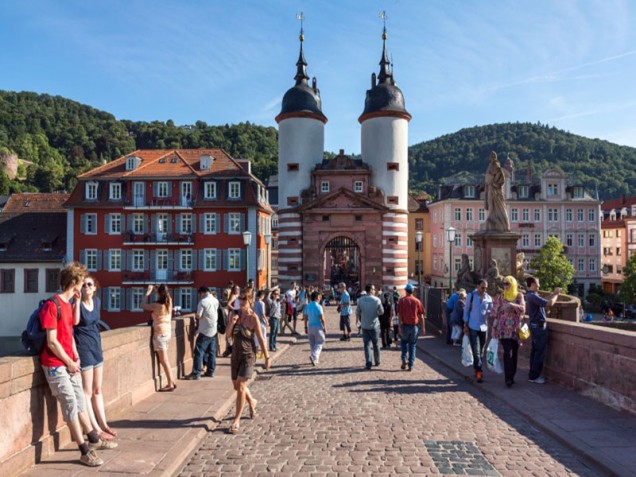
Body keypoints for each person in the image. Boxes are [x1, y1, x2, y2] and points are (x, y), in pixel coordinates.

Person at [39, 262, 116, 467]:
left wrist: (74, 356)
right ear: (74, 282)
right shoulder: (52, 305)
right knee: (71, 404)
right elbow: (52, 341)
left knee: (80, 400)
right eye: (81, 282)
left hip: (69, 361)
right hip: (55, 364)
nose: (83, 285)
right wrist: (69, 362)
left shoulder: (67, 304)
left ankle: (93, 439)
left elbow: (69, 333)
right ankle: (84, 451)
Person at [74, 276, 117, 441]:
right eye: (83, 285)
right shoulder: (77, 303)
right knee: (87, 392)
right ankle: (95, 429)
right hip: (83, 349)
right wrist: (77, 302)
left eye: (89, 284)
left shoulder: (97, 302)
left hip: (96, 347)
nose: (86, 287)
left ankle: (104, 424)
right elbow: (76, 321)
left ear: (94, 288)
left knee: (98, 389)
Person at [226, 288, 271, 434]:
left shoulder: (253, 318)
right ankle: (252, 401)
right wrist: (232, 323)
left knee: (240, 386)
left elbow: (260, 338)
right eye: (240, 299)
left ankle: (236, 420)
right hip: (235, 355)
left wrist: (266, 357)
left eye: (244, 299)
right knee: (236, 386)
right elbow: (227, 335)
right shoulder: (235, 314)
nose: (241, 302)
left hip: (248, 355)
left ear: (250, 300)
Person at [525, 276, 561, 384]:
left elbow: (544, 300)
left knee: (535, 351)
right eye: (537, 283)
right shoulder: (532, 296)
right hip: (538, 327)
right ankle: (535, 376)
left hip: (536, 326)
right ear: (532, 285)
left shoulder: (532, 295)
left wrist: (552, 294)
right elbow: (549, 303)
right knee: (539, 352)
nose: (539, 285)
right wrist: (556, 294)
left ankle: (532, 375)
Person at [491, 276, 525, 387]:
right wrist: (493, 328)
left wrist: (512, 305)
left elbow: (523, 309)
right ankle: (508, 378)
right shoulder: (501, 297)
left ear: (513, 284)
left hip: (515, 329)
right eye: (504, 284)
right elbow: (496, 312)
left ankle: (512, 374)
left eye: (507, 284)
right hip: (503, 329)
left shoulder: (519, 296)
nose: (505, 286)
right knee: (507, 352)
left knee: (514, 352)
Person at [143, 284, 176, 392]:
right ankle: (172, 381)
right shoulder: (169, 301)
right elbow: (163, 295)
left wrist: (148, 293)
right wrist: (158, 290)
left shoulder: (157, 305)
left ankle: (170, 383)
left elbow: (143, 305)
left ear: (158, 293)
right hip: (167, 332)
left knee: (164, 360)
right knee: (165, 359)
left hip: (160, 333)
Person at [462, 279, 493, 383]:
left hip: (484, 327)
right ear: (477, 286)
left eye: (486, 288)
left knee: (481, 350)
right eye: (482, 287)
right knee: (476, 350)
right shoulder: (471, 296)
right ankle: (479, 371)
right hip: (473, 326)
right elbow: (466, 310)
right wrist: (465, 325)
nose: (484, 290)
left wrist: (493, 309)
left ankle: (476, 367)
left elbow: (491, 311)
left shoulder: (488, 298)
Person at [185, 287, 220, 380]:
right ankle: (210, 371)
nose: (200, 296)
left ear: (203, 293)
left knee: (198, 352)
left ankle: (196, 373)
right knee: (212, 352)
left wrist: (196, 315)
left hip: (205, 330)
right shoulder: (215, 300)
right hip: (214, 329)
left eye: (200, 294)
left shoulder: (203, 302)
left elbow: (199, 316)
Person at [397, 283, 425, 371]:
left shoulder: (401, 301)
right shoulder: (417, 301)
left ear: (406, 291)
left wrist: (399, 326)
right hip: (414, 327)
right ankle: (411, 364)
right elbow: (421, 316)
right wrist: (423, 327)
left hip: (405, 325)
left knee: (404, 343)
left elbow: (400, 315)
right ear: (413, 291)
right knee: (412, 345)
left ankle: (404, 359)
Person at [356, 284, 384, 369]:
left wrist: (359, 320)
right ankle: (377, 361)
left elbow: (357, 312)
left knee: (367, 345)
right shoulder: (377, 300)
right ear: (371, 290)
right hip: (375, 326)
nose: (375, 291)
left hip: (365, 326)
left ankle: (368, 363)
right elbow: (381, 312)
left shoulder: (360, 300)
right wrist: (376, 313)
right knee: (376, 344)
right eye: (374, 289)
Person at [484, 151, 510, 232]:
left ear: (495, 157)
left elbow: (502, 180)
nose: (492, 157)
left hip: (495, 190)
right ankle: (491, 218)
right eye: (491, 155)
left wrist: (494, 184)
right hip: (489, 188)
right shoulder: (489, 166)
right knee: (490, 203)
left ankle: (496, 219)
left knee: (496, 204)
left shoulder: (497, 167)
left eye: (493, 155)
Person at [303, 290, 326, 365]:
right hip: (318, 327)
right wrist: (325, 327)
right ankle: (314, 355)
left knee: (312, 344)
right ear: (316, 298)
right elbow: (322, 318)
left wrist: (305, 327)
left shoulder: (308, 306)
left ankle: (315, 360)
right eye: (319, 297)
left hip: (310, 327)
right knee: (320, 342)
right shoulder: (319, 306)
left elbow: (305, 317)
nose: (320, 299)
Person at [253, 290, 267, 358]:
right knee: (263, 338)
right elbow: (263, 314)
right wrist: (267, 321)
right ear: (261, 296)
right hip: (261, 322)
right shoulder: (262, 303)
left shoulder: (254, 303)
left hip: (255, 323)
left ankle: (256, 353)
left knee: (256, 338)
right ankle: (262, 353)